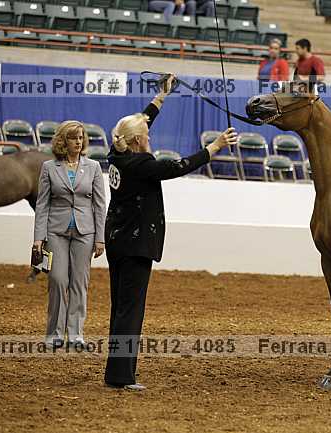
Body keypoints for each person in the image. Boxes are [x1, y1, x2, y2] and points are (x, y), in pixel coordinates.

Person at [103, 75, 237, 391]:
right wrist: (214, 147)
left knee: (121, 307)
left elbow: (142, 120)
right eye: (146, 135)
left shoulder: (117, 153)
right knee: (130, 311)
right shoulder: (142, 165)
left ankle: (116, 372)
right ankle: (121, 376)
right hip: (136, 244)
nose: (149, 137)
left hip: (117, 241)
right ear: (138, 141)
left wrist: (161, 97)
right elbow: (178, 167)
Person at [33, 121, 106, 350]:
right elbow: (42, 204)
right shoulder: (48, 167)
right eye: (74, 137)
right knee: (57, 279)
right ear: (63, 141)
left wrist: (100, 237)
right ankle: (54, 333)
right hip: (56, 231)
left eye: (81, 137)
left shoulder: (94, 167)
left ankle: (76, 334)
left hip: (86, 232)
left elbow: (100, 205)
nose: (78, 142)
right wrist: (38, 237)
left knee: (79, 282)